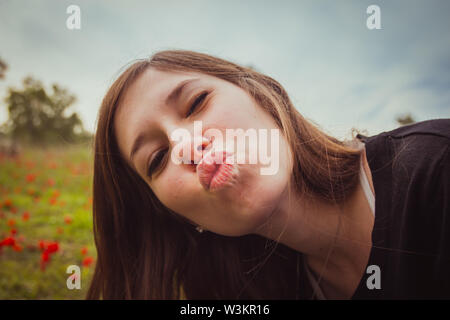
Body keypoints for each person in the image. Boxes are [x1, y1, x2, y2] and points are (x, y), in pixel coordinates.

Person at [86, 49, 450, 299]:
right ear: (175, 216)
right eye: (158, 158)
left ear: (261, 93)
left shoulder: (436, 166)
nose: (185, 145)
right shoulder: (253, 292)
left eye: (197, 103)